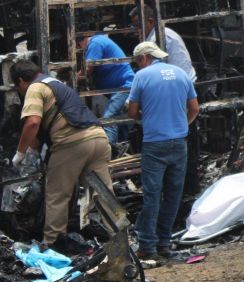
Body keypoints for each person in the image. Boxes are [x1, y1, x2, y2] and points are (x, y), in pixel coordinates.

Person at [10, 60, 113, 249]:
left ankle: (52, 244)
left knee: (57, 195)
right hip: (98, 139)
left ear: (21, 81)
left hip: (72, 144)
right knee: (103, 194)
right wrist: (33, 148)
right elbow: (41, 130)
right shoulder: (56, 84)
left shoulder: (34, 88)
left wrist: (20, 153)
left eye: (18, 87)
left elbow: (32, 123)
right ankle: (119, 239)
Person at [127, 42, 199, 260]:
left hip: (154, 143)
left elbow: (132, 111)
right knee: (172, 195)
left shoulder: (141, 77)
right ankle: (164, 243)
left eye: (137, 62)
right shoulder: (181, 74)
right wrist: (182, 125)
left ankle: (147, 246)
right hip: (179, 142)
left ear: (143, 58)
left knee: (152, 195)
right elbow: (194, 109)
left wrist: (146, 118)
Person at [76, 33, 135, 145]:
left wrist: (74, 79)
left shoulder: (95, 43)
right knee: (119, 119)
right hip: (120, 88)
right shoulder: (99, 41)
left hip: (123, 87)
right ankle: (121, 146)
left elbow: (88, 68)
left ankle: (110, 149)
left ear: (79, 43)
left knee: (109, 118)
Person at [130, 5, 197, 81]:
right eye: (134, 26)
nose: (136, 30)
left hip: (178, 82)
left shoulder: (157, 38)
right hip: (183, 79)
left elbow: (152, 70)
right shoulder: (163, 32)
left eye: (138, 26)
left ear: (150, 22)